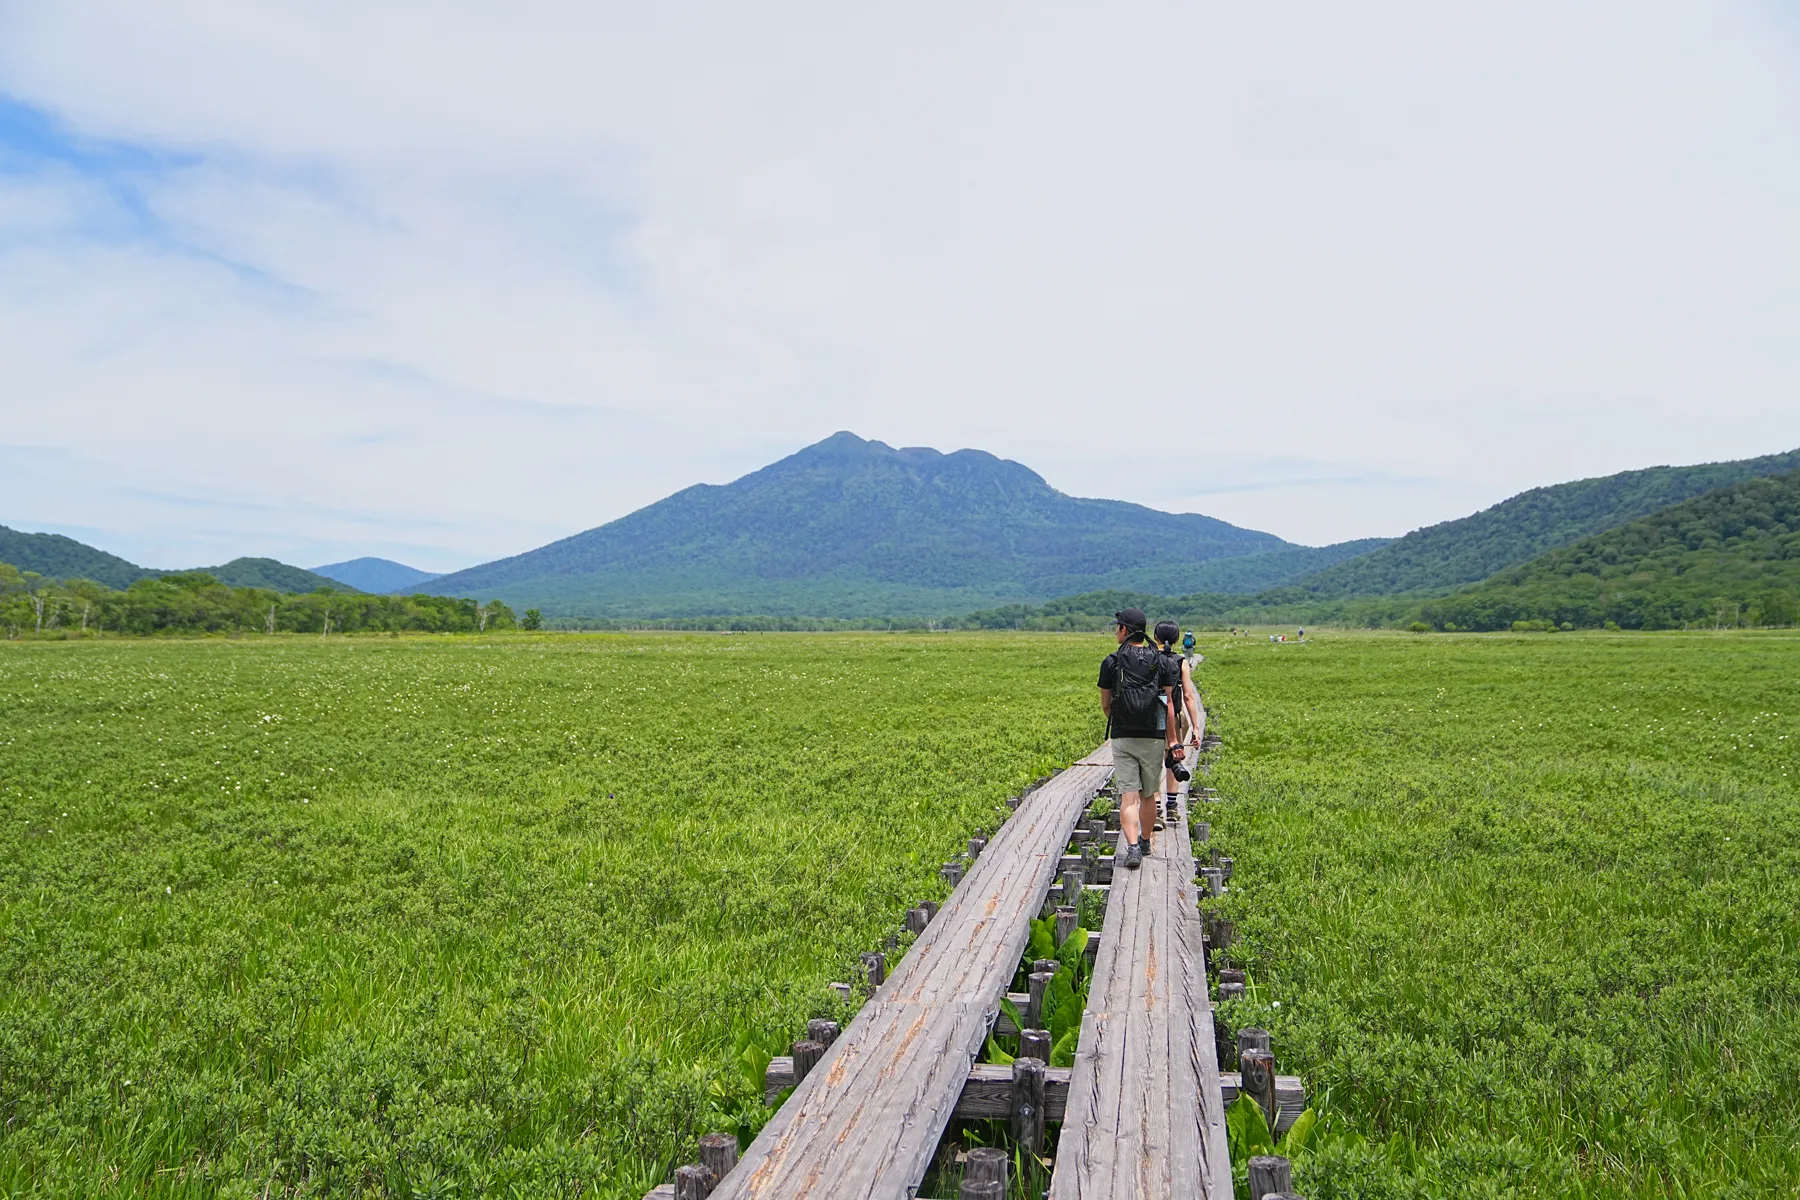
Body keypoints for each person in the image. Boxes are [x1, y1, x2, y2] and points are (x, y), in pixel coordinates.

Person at [1098, 608, 1182, 870]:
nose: (1116, 632)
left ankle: (1132, 846)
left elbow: (1105, 705)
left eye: (1117, 627)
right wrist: (1173, 741)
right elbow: (1168, 706)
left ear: (1124, 629)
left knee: (1128, 796)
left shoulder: (1111, 661)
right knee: (1148, 795)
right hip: (1154, 736)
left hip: (1123, 735)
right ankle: (1145, 841)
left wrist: (1122, 720)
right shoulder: (1162, 661)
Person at [1154, 621, 1203, 823]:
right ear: (1176, 640)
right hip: (1176, 715)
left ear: (1155, 637)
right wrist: (1196, 727)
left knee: (1153, 763)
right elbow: (1189, 696)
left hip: (1153, 715)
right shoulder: (1180, 661)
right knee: (1174, 759)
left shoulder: (1149, 658)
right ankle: (1172, 806)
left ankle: (1155, 808)